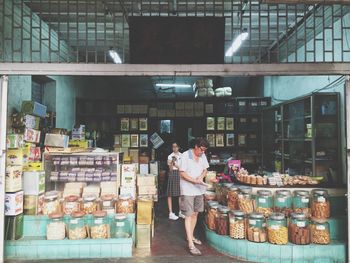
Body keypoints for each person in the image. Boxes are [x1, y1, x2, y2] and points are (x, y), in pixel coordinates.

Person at [179, 138, 209, 256]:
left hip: (199, 189)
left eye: (204, 150)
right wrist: (194, 181)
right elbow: (182, 172)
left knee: (196, 213)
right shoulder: (186, 155)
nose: (203, 152)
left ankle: (190, 236)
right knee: (188, 215)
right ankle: (191, 244)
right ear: (196, 146)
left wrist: (201, 178)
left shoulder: (202, 156)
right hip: (187, 190)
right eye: (201, 150)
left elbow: (205, 169)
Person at [166, 142, 185, 220]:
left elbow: (183, 167)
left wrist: (175, 164)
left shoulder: (182, 155)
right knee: (170, 194)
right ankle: (171, 213)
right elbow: (170, 169)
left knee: (180, 193)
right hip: (173, 174)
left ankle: (181, 212)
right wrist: (171, 164)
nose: (174, 148)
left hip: (180, 174)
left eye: (176, 147)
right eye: (173, 147)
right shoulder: (170, 156)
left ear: (179, 147)